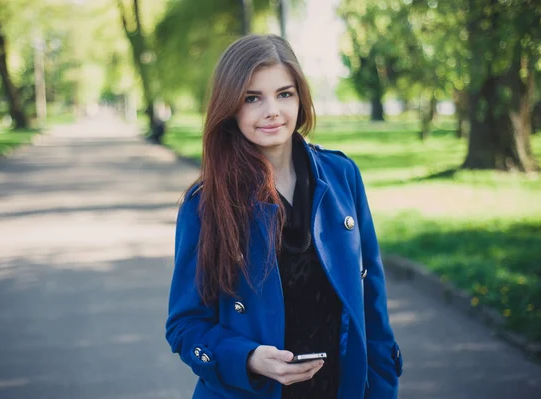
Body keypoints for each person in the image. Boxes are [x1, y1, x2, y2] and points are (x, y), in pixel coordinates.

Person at [165, 34, 403, 399]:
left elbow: (372, 303)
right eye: (252, 98)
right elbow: (185, 326)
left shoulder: (342, 176)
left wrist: (383, 388)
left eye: (284, 94)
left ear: (300, 97)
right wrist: (249, 359)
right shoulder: (205, 204)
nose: (272, 110)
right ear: (230, 107)